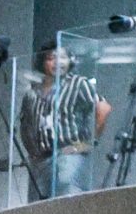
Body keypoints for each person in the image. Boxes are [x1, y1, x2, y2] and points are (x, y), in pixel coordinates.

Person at [24, 42, 106, 200]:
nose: (58, 62)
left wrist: (88, 143)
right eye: (51, 58)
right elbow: (26, 124)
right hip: (40, 159)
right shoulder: (32, 92)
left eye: (63, 57)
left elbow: (103, 108)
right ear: (43, 62)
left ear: (70, 61)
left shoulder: (78, 83)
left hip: (68, 155)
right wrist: (32, 151)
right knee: (37, 209)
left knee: (67, 201)